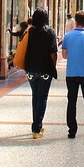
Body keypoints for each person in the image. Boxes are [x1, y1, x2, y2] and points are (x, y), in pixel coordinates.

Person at [60, 11, 84, 139]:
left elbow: (64, 55)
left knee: (71, 101)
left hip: (71, 73)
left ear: (75, 21)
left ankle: (72, 130)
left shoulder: (67, 36)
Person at [23, 8, 57, 139]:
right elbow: (53, 52)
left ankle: (37, 123)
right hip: (45, 70)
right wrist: (53, 67)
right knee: (42, 98)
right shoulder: (50, 32)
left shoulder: (29, 32)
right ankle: (36, 127)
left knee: (35, 96)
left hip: (31, 69)